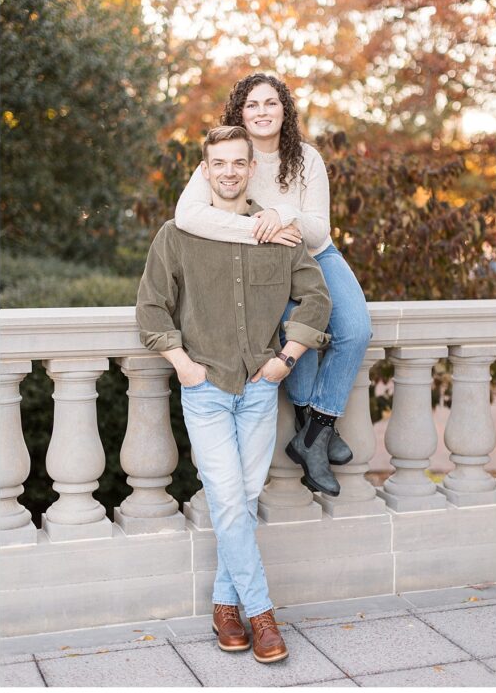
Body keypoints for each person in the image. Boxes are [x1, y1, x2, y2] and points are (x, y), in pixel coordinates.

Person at [137, 125, 331, 663]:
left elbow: (316, 299)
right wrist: (183, 366)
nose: (228, 172)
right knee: (228, 497)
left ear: (250, 168)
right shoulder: (177, 235)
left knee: (240, 501)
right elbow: (151, 307)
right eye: (217, 163)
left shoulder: (279, 235)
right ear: (205, 169)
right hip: (206, 388)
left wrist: (284, 361)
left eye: (237, 163)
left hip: (260, 388)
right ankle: (262, 614)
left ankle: (225, 606)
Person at [174, 73, 372, 496]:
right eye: (251, 104)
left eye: (270, 103)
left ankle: (314, 432)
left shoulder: (306, 158)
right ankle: (316, 440)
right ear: (239, 113)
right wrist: (256, 232)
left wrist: (281, 214)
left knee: (356, 329)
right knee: (291, 329)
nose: (261, 112)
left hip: (318, 255)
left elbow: (318, 231)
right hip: (267, 265)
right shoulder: (230, 158)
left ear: (285, 110)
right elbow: (187, 215)